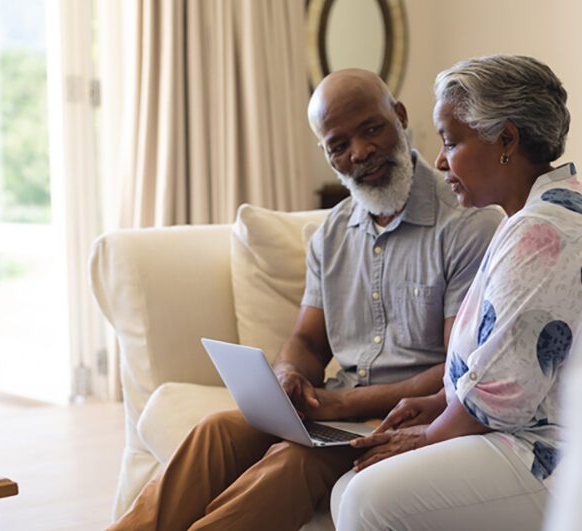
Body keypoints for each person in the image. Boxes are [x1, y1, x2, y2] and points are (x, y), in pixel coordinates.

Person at [107, 69, 503, 531]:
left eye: (371, 128)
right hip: (336, 413)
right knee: (213, 433)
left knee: (293, 461)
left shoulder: (465, 223)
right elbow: (307, 341)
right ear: (327, 153)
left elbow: (460, 368)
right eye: (338, 144)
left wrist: (342, 408)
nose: (360, 152)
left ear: (399, 116)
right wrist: (288, 374)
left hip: (409, 420)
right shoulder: (330, 235)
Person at [332, 55, 582, 531]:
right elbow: (505, 364)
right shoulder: (539, 214)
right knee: (351, 488)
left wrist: (428, 436)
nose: (441, 160)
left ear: (506, 139)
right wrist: (441, 404)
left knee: (366, 498)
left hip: (558, 452)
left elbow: (502, 396)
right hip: (528, 434)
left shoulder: (543, 232)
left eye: (450, 141)